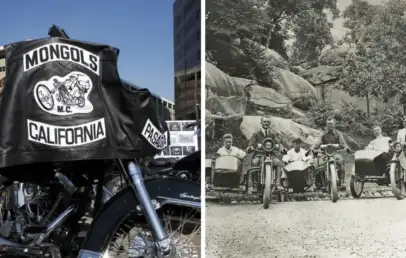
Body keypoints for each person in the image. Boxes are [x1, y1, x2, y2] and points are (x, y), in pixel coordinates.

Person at [247, 116, 284, 190]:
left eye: (268, 122)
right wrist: (250, 147)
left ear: (270, 123)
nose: (266, 123)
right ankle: (254, 185)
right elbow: (251, 144)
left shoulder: (273, 134)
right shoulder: (256, 133)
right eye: (264, 121)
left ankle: (277, 184)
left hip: (271, 155)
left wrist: (282, 148)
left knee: (278, 163)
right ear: (261, 123)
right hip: (259, 154)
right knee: (254, 162)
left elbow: (278, 143)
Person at [311, 117, 350, 188]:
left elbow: (343, 143)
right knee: (319, 165)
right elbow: (317, 142)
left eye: (331, 123)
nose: (330, 125)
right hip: (324, 154)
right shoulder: (323, 134)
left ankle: (342, 182)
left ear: (334, 124)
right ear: (326, 125)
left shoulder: (338, 134)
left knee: (341, 162)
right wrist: (312, 148)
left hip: (336, 154)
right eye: (328, 124)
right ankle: (319, 183)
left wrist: (346, 147)